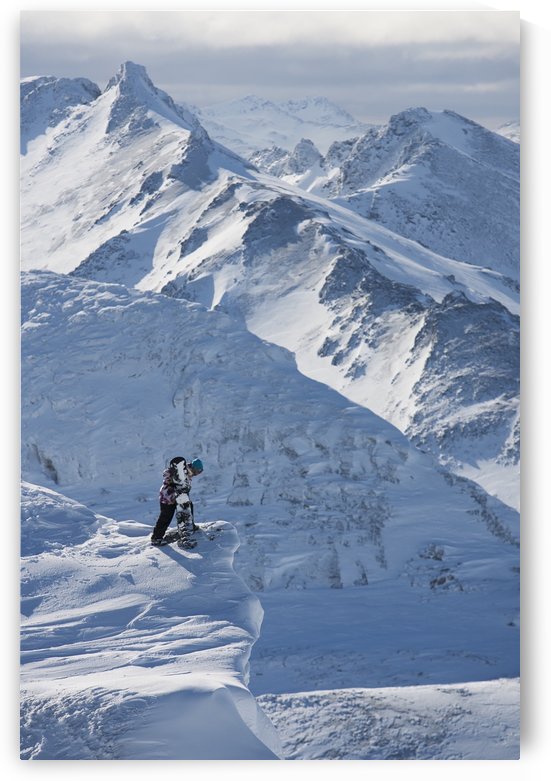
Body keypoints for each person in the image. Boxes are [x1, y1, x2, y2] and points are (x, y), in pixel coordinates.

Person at [150, 456, 204, 545]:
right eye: (198, 471)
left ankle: (190, 526)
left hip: (177, 497)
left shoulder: (186, 473)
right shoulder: (180, 470)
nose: (198, 474)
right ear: (194, 468)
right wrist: (172, 483)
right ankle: (156, 538)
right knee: (166, 516)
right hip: (168, 497)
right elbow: (167, 474)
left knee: (189, 507)